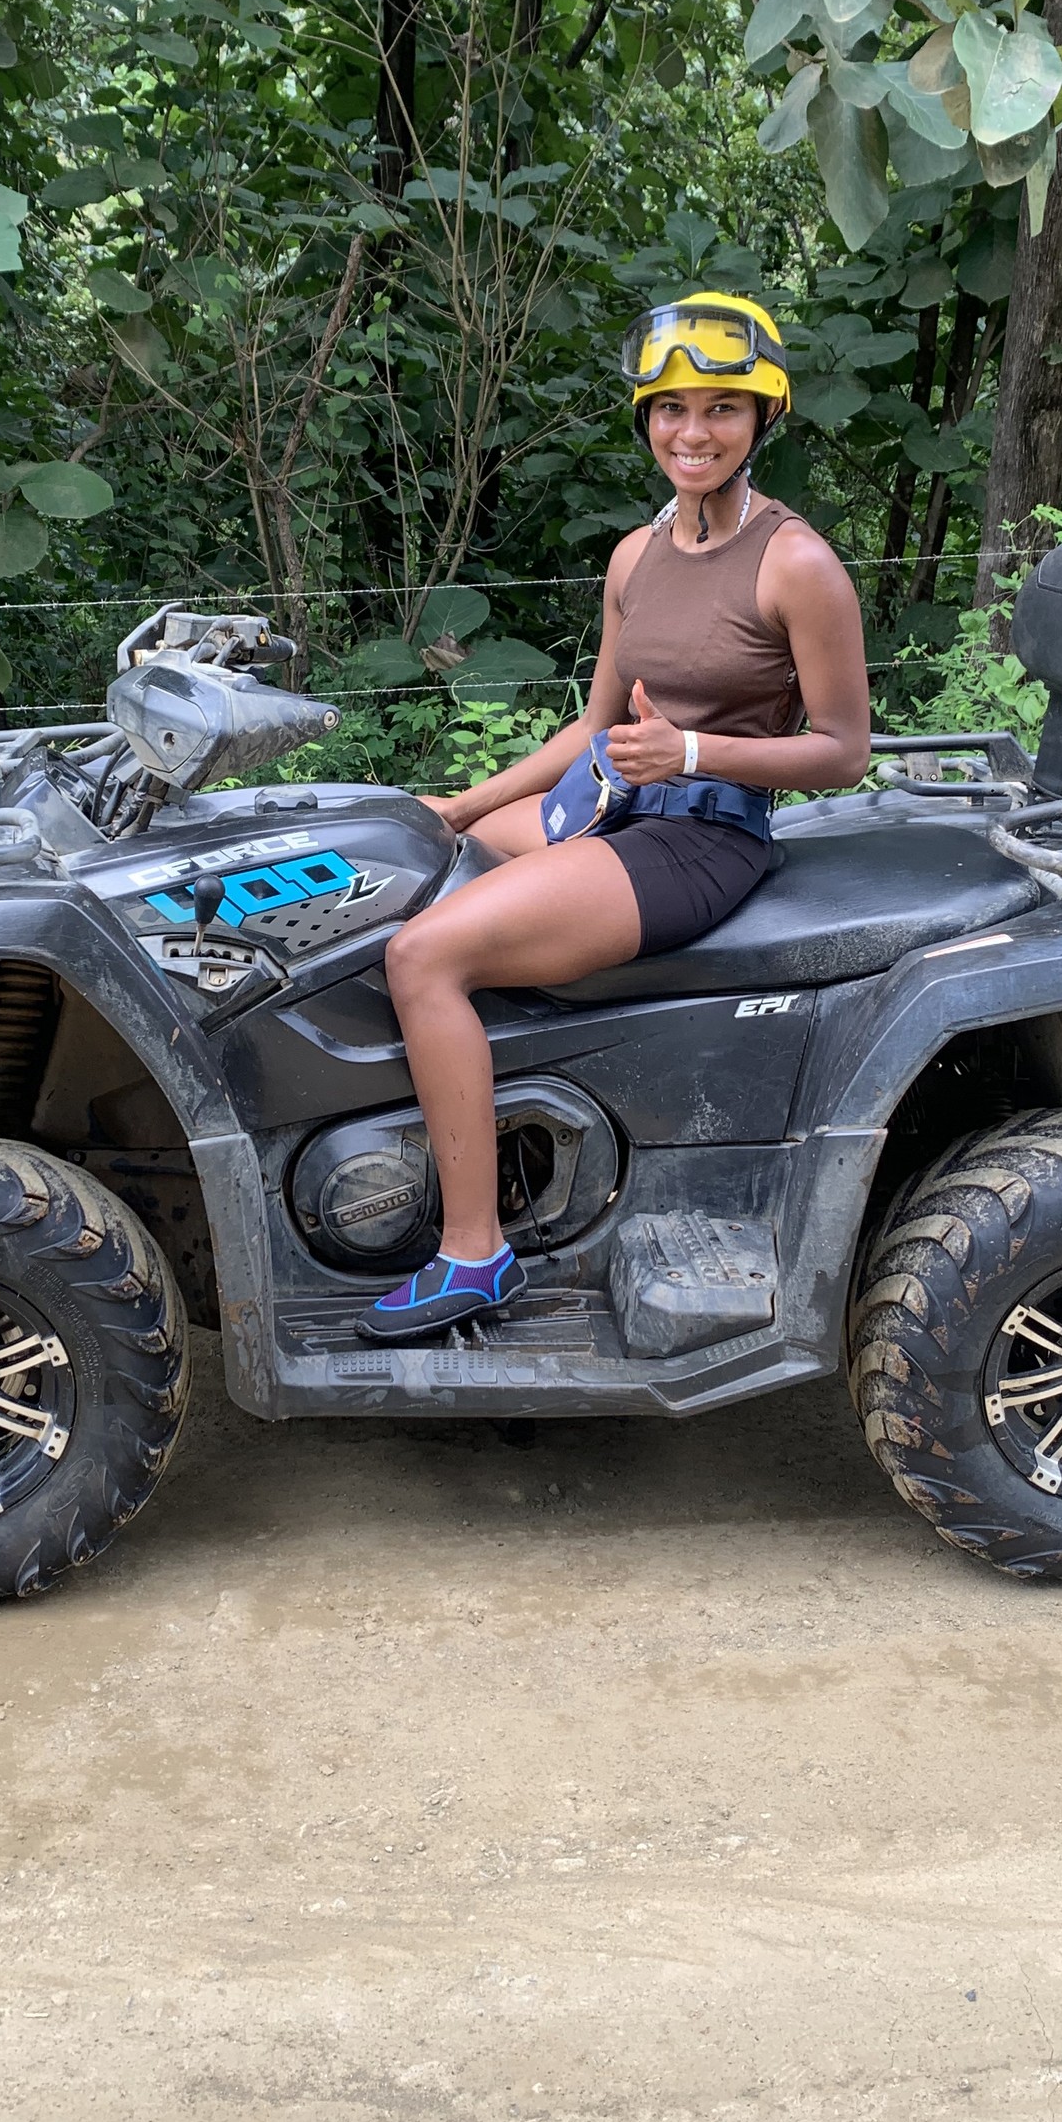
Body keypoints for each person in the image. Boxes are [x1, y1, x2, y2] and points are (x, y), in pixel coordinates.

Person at [360, 292, 873, 1346]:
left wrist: (692, 752)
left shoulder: (796, 563)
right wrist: (456, 807)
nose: (691, 432)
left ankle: (471, 1253)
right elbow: (591, 727)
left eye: (720, 409)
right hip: (606, 805)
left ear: (762, 418)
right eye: (669, 409)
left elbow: (841, 750)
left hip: (698, 839)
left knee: (421, 957)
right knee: (411, 865)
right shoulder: (635, 556)